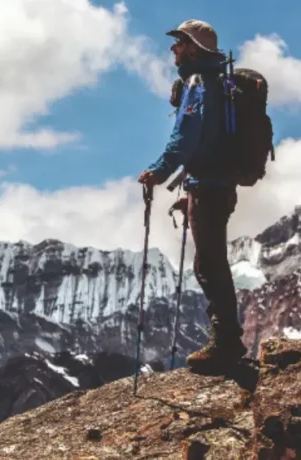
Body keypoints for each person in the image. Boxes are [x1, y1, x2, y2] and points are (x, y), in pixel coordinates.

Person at [138, 19, 247, 374]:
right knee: (210, 260)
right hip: (213, 184)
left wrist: (158, 171)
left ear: (195, 48)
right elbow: (205, 142)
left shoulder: (199, 84)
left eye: (180, 43)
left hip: (210, 187)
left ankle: (227, 343)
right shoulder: (213, 82)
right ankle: (226, 340)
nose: (174, 49)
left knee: (209, 264)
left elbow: (185, 138)